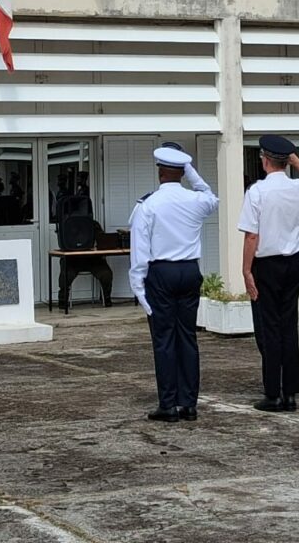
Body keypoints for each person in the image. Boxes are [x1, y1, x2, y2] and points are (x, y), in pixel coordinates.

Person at [129, 145, 218, 423]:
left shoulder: (149, 204)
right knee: (188, 337)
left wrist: (138, 287)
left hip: (161, 273)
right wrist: (189, 170)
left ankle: (168, 404)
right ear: (182, 172)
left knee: (164, 339)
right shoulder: (196, 200)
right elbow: (210, 195)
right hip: (189, 270)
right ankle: (188, 404)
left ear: (160, 172)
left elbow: (140, 251)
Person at [238, 135, 299, 413]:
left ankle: (273, 392)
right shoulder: (298, 188)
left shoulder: (257, 191)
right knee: (289, 326)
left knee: (269, 328)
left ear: (264, 160)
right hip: (292, 262)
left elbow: (251, 236)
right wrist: (297, 161)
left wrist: (246, 270)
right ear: (286, 161)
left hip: (266, 264)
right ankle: (290, 391)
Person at [58, 221, 114, 309]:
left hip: (93, 260)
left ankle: (107, 298)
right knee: (66, 275)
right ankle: (62, 301)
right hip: (73, 260)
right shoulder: (68, 225)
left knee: (106, 274)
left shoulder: (93, 224)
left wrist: (99, 245)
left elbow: (102, 240)